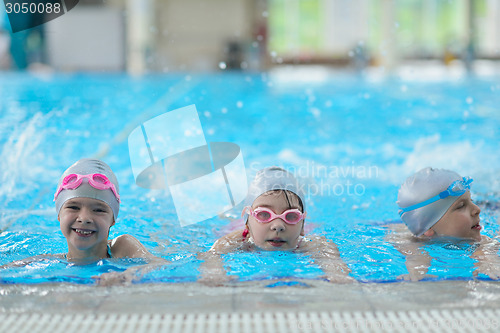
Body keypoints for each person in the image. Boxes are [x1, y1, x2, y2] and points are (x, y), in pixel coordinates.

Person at [3, 158, 165, 285]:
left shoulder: (121, 247)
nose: (84, 218)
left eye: (99, 210)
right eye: (73, 207)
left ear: (113, 220)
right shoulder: (47, 260)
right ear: (59, 215)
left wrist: (130, 273)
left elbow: (160, 263)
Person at [200, 166, 353, 284]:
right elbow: (213, 255)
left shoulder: (306, 242)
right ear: (247, 222)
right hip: (235, 223)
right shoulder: (238, 238)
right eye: (264, 214)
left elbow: (328, 253)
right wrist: (214, 274)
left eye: (291, 216)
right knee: (225, 216)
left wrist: (336, 274)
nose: (278, 225)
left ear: (302, 225)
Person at [391, 167, 500, 281]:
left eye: (471, 201)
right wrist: (417, 272)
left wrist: (490, 262)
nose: (477, 209)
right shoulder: (411, 242)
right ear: (428, 227)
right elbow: (416, 257)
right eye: (461, 206)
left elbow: (485, 250)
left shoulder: (481, 241)